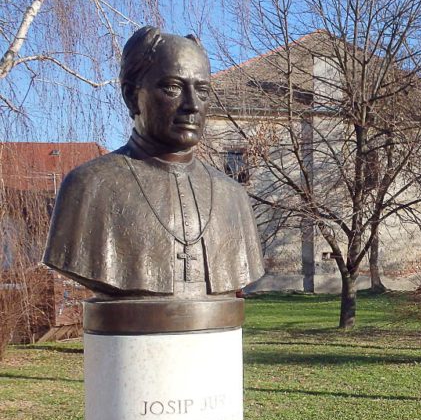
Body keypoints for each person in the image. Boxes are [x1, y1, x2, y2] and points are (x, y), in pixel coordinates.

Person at [43, 26, 264, 299]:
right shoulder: (89, 186)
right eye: (172, 88)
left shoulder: (234, 196)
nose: (193, 105)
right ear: (131, 96)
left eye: (202, 91)